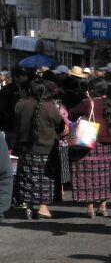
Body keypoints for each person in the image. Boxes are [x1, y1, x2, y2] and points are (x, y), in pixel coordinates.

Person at [13, 79, 66, 220]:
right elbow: (60, 127)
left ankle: (29, 208)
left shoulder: (20, 104)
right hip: (46, 149)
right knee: (45, 180)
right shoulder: (50, 106)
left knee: (27, 179)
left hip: (25, 149)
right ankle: (43, 208)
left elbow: (16, 123)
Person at [67, 77, 111, 217]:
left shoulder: (88, 103)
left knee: (87, 176)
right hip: (106, 145)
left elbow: (71, 114)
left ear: (92, 90)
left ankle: (90, 209)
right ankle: (103, 207)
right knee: (103, 177)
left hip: (88, 143)